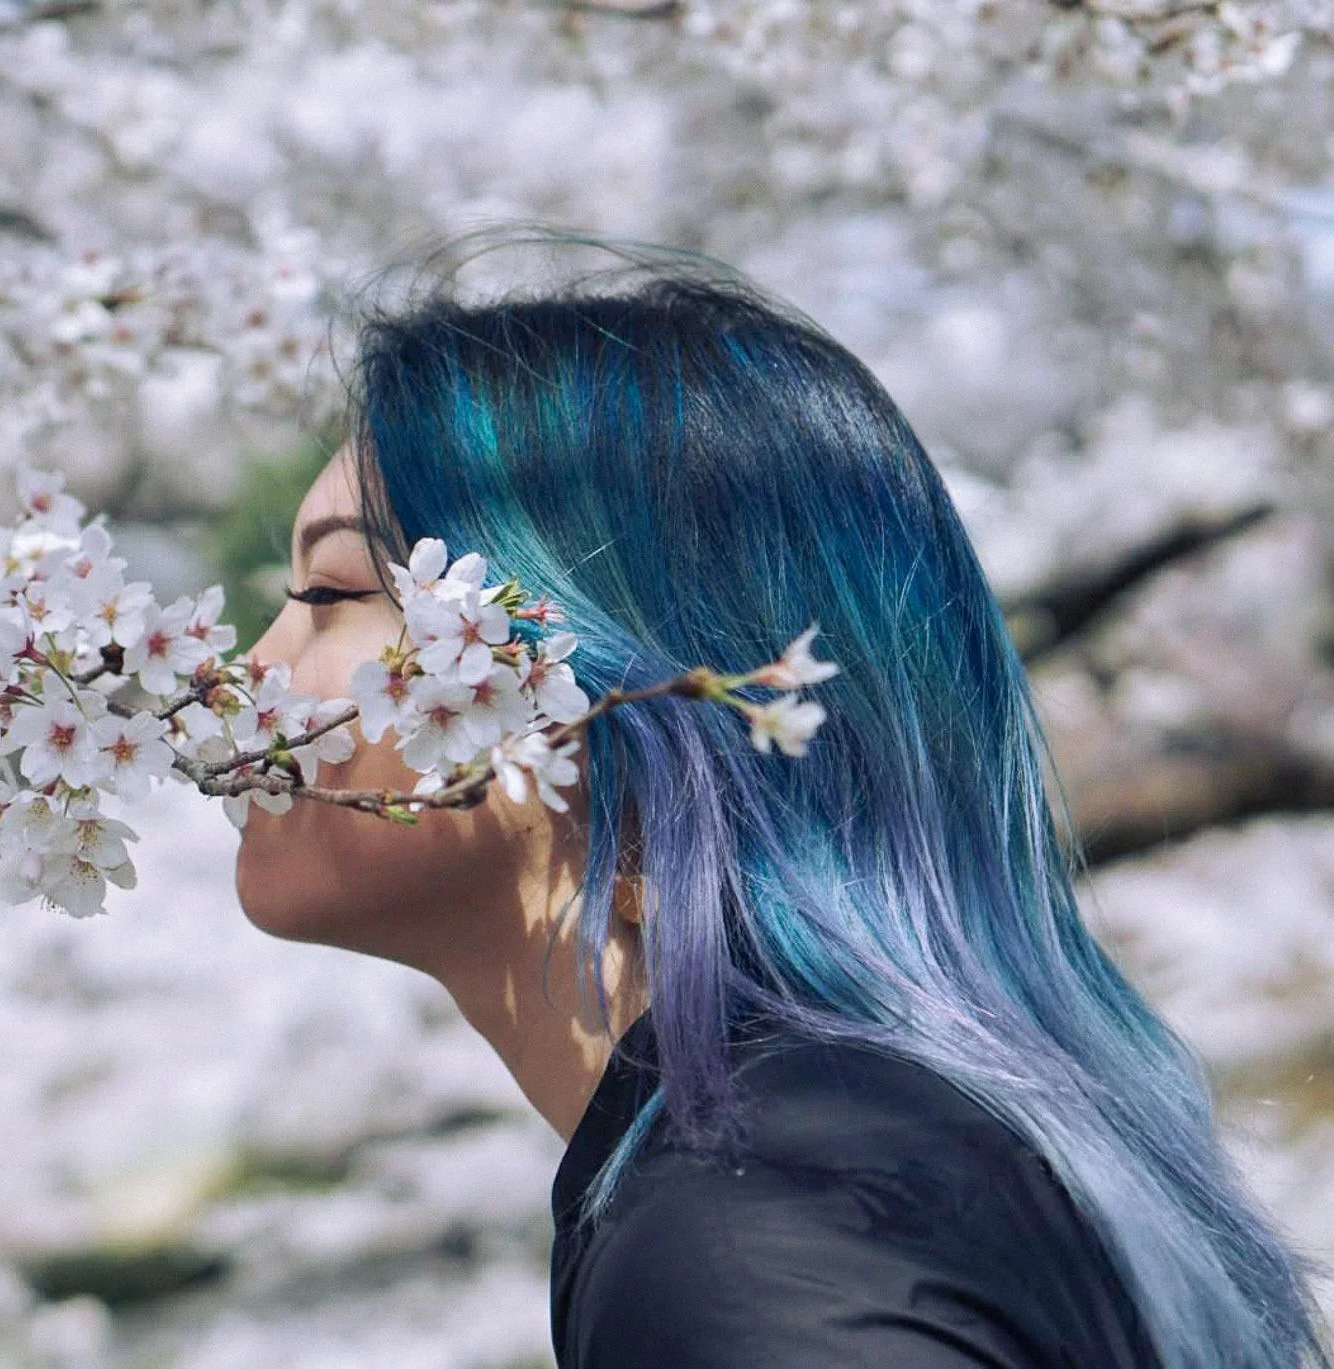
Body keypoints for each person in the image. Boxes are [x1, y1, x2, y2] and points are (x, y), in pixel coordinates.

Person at [233, 229, 1332, 1368]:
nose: (247, 668)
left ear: (633, 701)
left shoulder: (755, 1235)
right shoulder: (880, 1161)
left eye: (331, 589)